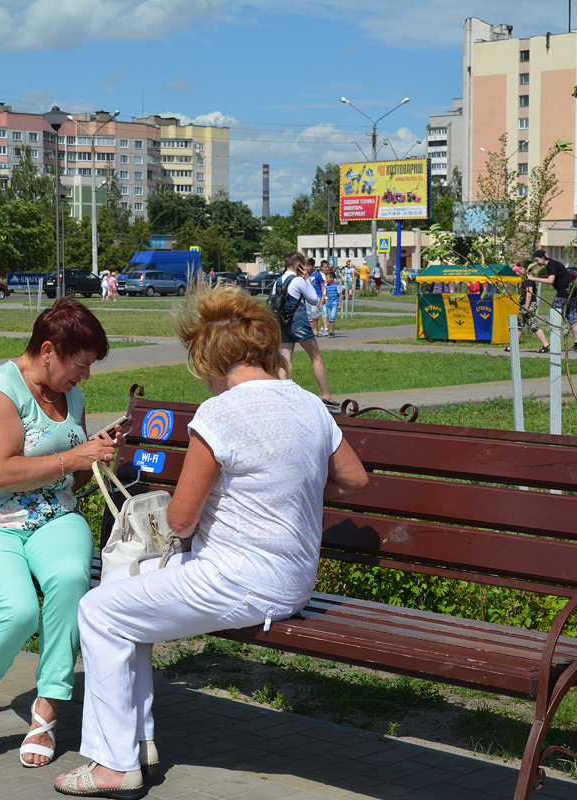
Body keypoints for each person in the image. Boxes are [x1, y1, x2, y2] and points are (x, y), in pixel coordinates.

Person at [54, 286, 369, 799]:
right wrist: (290, 480)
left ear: (208, 360)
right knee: (120, 587)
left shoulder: (220, 413)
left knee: (99, 611)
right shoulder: (310, 405)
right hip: (291, 582)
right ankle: (138, 741)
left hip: (236, 581)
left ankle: (115, 765)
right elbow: (355, 482)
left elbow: (180, 521)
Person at [0, 298, 121, 771]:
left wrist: (97, 456)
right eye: (79, 366)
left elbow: (72, 480)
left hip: (54, 517)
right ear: (47, 350)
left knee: (68, 581)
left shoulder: (72, 395)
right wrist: (73, 458)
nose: (84, 377)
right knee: (17, 609)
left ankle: (47, 708)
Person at [273, 252, 336, 409]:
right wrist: (307, 279)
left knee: (285, 361)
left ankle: (282, 398)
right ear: (299, 265)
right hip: (298, 323)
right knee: (316, 357)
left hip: (282, 324)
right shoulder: (298, 281)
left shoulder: (277, 282)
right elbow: (314, 300)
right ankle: (327, 396)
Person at [526, 249, 577, 352]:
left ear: (543, 258)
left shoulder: (551, 265)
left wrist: (534, 278)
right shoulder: (554, 264)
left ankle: (554, 343)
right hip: (572, 291)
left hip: (563, 293)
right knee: (572, 317)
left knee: (554, 314)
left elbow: (550, 280)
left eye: (537, 260)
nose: (536, 263)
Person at [508, 260, 550, 353]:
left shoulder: (529, 279)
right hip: (524, 304)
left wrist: (526, 307)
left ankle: (546, 345)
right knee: (519, 325)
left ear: (527, 270)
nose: (519, 270)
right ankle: (513, 346)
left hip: (528, 305)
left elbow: (529, 293)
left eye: (521, 269)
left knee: (533, 325)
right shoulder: (525, 279)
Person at [321, 270, 341, 338]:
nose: (326, 280)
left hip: (335, 303)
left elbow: (340, 295)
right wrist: (322, 302)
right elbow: (324, 295)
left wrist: (340, 304)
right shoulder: (326, 286)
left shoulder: (336, 286)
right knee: (330, 318)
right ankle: (331, 331)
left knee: (332, 317)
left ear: (332, 278)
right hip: (328, 304)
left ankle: (331, 331)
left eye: (327, 278)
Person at [308, 261, 326, 334]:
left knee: (314, 312)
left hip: (316, 296)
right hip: (308, 296)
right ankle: (311, 330)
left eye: (308, 266)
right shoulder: (306, 275)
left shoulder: (317, 275)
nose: (307, 268)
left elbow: (322, 285)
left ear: (313, 266)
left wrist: (322, 296)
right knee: (309, 314)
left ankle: (315, 329)